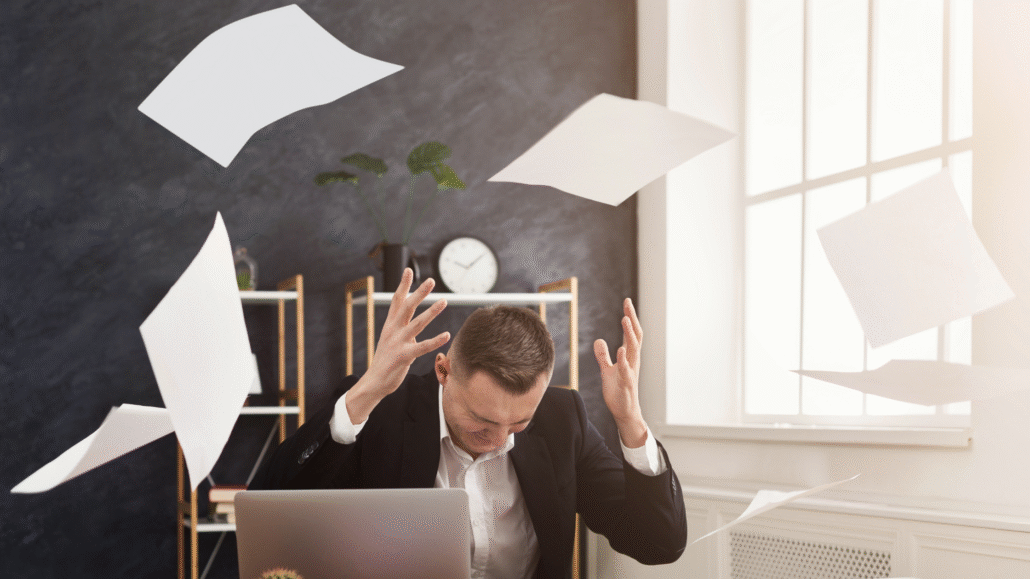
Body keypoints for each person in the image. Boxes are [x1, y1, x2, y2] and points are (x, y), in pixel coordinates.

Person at [251, 269, 687, 579]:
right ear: (442, 371)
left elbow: (658, 544)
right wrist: (365, 393)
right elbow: (273, 506)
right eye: (482, 419)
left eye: (519, 422)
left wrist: (631, 422)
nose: (498, 440)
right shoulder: (382, 409)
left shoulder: (562, 419)